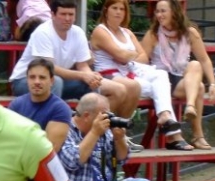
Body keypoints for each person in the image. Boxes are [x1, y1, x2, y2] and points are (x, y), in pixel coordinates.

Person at [9, 0, 139, 120]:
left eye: (71, 14)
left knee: (118, 90)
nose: (67, 18)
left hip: (59, 79)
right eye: (63, 14)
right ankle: (51, 131)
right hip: (25, 80)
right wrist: (83, 75)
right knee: (55, 82)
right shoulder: (42, 32)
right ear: (53, 15)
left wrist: (91, 77)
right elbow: (49, 69)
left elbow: (83, 65)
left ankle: (100, 133)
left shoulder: (77, 32)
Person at [90, 0, 191, 150]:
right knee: (145, 87)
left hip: (129, 72)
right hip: (107, 75)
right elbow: (121, 55)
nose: (118, 12)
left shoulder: (127, 32)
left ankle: (165, 116)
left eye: (122, 9)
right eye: (114, 8)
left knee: (161, 76)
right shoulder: (101, 30)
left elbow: (143, 57)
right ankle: (172, 135)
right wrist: (129, 55)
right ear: (106, 10)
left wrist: (127, 55)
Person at [141, 0, 215, 149]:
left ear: (174, 12)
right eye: (157, 11)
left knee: (195, 65)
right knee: (200, 88)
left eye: (163, 11)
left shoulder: (190, 33)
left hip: (181, 78)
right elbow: (141, 60)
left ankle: (190, 108)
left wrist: (213, 83)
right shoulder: (153, 35)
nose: (159, 15)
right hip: (161, 79)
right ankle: (198, 135)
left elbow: (204, 60)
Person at [9, 57, 72, 152]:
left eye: (42, 77)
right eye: (32, 77)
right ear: (27, 80)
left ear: (52, 81)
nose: (37, 82)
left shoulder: (60, 109)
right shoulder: (16, 105)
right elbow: (7, 139)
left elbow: (49, 150)